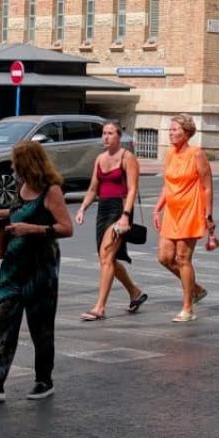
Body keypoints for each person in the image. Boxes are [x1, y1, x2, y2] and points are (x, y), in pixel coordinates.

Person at [0, 140, 72, 403]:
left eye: (16, 163)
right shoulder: (22, 186)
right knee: (3, 321)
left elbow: (66, 228)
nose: (13, 168)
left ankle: (43, 380)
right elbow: (17, 211)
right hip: (13, 268)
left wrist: (32, 229)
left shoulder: (51, 191)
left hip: (41, 269)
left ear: (29, 164)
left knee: (41, 326)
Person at [72, 120, 147, 321]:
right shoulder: (99, 158)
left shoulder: (127, 157)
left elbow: (132, 189)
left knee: (106, 256)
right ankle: (134, 292)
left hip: (120, 209)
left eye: (110, 133)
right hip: (103, 209)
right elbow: (93, 189)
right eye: (104, 133)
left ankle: (100, 307)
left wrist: (125, 216)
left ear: (119, 136)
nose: (106, 137)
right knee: (108, 258)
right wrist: (82, 208)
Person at [153, 113, 213, 323]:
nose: (171, 133)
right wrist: (157, 208)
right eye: (170, 130)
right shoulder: (170, 154)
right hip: (172, 210)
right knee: (164, 257)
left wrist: (208, 214)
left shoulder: (197, 154)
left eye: (175, 130)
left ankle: (188, 307)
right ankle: (195, 288)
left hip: (190, 210)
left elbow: (206, 186)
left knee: (182, 258)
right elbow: (167, 184)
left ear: (187, 133)